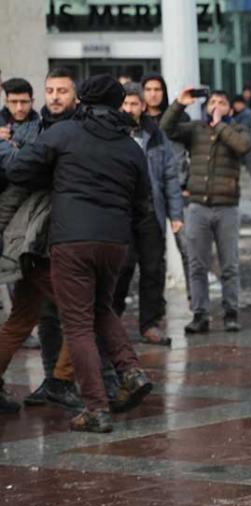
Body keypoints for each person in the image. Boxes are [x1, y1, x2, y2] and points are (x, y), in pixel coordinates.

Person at [7, 75, 156, 432]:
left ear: (83, 101)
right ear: (120, 104)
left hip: (72, 241)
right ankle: (130, 371)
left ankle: (95, 407)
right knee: (101, 309)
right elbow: (143, 204)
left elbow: (17, 169)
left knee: (76, 323)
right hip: (115, 244)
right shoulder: (130, 147)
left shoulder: (65, 134)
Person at [0, 68, 82, 411]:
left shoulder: (48, 129)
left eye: (61, 90)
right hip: (38, 242)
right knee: (80, 314)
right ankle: (61, 381)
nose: (55, 96)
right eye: (51, 90)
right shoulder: (39, 134)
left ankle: (60, 380)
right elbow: (16, 187)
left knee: (21, 319)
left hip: (43, 240)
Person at [161, 88, 251, 333]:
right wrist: (179, 104)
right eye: (212, 102)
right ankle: (200, 314)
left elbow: (242, 147)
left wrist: (220, 125)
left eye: (222, 102)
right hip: (198, 206)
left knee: (229, 265)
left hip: (227, 208)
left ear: (230, 109)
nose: (216, 105)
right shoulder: (196, 129)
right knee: (197, 264)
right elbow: (166, 128)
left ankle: (231, 312)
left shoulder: (238, 130)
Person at [117, 83, 184, 344]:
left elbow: (170, 176)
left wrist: (175, 214)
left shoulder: (155, 135)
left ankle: (150, 323)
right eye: (125, 104)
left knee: (153, 270)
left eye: (134, 104)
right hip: (121, 214)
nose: (129, 109)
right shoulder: (113, 133)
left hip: (150, 213)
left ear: (143, 106)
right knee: (121, 269)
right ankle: (112, 319)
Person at [141, 72, 191, 298]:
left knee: (188, 249)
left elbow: (194, 153)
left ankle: (195, 299)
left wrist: (188, 182)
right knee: (152, 253)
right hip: (149, 194)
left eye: (157, 89)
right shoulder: (136, 123)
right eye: (148, 89)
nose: (153, 94)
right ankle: (155, 303)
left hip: (178, 190)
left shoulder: (180, 119)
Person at [0, 78, 41, 173]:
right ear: (6, 102)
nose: (19, 108)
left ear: (32, 102)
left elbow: (28, 164)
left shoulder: (41, 127)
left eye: (24, 102)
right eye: (14, 102)